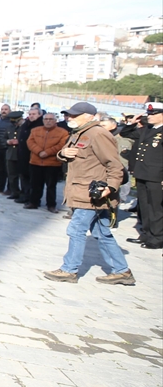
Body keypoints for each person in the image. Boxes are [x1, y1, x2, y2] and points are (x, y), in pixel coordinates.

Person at [43, 102, 134, 286]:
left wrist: (111, 188)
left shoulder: (98, 134)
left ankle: (69, 270)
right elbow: (68, 154)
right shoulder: (79, 133)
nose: (70, 118)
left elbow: (115, 165)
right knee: (102, 233)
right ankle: (122, 271)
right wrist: (63, 153)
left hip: (93, 194)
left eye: (74, 115)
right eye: (69, 115)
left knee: (76, 229)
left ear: (90, 116)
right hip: (80, 190)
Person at [126, 102, 162, 249]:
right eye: (149, 113)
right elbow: (126, 133)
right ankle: (146, 234)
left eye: (154, 114)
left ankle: (158, 237)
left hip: (157, 175)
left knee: (156, 208)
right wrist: (132, 122)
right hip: (142, 172)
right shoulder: (147, 129)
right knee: (144, 207)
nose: (150, 116)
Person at [25, 112, 67, 211]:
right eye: (46, 119)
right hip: (36, 161)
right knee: (35, 184)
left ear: (55, 121)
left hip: (52, 163)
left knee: (51, 186)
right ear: (43, 120)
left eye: (51, 119)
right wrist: (39, 151)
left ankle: (51, 205)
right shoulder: (35, 130)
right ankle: (33, 202)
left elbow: (62, 144)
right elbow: (30, 142)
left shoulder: (63, 132)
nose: (48, 121)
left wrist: (48, 152)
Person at [12, 107, 42, 202]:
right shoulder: (26, 124)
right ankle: (24, 194)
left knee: (33, 179)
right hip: (23, 155)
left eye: (34, 114)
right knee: (24, 176)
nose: (31, 116)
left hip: (33, 155)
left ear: (39, 115)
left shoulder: (40, 125)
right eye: (30, 114)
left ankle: (32, 198)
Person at [4, 111, 24, 200]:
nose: (15, 123)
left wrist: (19, 142)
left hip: (21, 155)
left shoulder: (24, 127)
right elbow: (3, 138)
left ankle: (24, 194)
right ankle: (14, 191)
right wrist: (8, 141)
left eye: (16, 121)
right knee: (12, 175)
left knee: (22, 176)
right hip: (11, 154)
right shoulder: (9, 127)